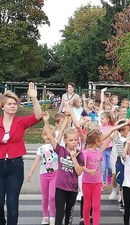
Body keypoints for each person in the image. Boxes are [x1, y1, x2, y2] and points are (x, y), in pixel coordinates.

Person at [0, 82, 42, 225]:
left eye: (15, 104)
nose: (13, 106)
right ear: (3, 106)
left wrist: (34, 98)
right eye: (10, 103)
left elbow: (38, 116)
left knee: (12, 204)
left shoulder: (21, 122)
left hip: (15, 166)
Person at [43, 111, 84, 225]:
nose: (74, 142)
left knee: (69, 215)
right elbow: (51, 137)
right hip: (60, 188)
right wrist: (46, 121)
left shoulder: (80, 154)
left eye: (75, 140)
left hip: (72, 189)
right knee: (59, 214)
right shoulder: (60, 150)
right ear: (65, 140)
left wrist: (74, 158)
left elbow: (79, 172)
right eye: (71, 140)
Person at [27, 126, 58, 225]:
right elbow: (36, 161)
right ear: (43, 136)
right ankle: (45, 216)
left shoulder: (55, 146)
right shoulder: (40, 149)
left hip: (55, 174)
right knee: (45, 196)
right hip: (44, 174)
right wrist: (30, 172)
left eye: (51, 135)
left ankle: (52, 216)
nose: (48, 137)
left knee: (52, 196)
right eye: (46, 135)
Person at [82, 129, 107, 225]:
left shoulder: (99, 153)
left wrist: (101, 182)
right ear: (96, 141)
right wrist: (88, 171)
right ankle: (86, 223)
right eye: (101, 140)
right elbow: (82, 166)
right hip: (87, 183)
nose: (102, 142)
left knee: (96, 206)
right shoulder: (85, 152)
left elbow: (99, 168)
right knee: (87, 205)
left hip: (97, 183)